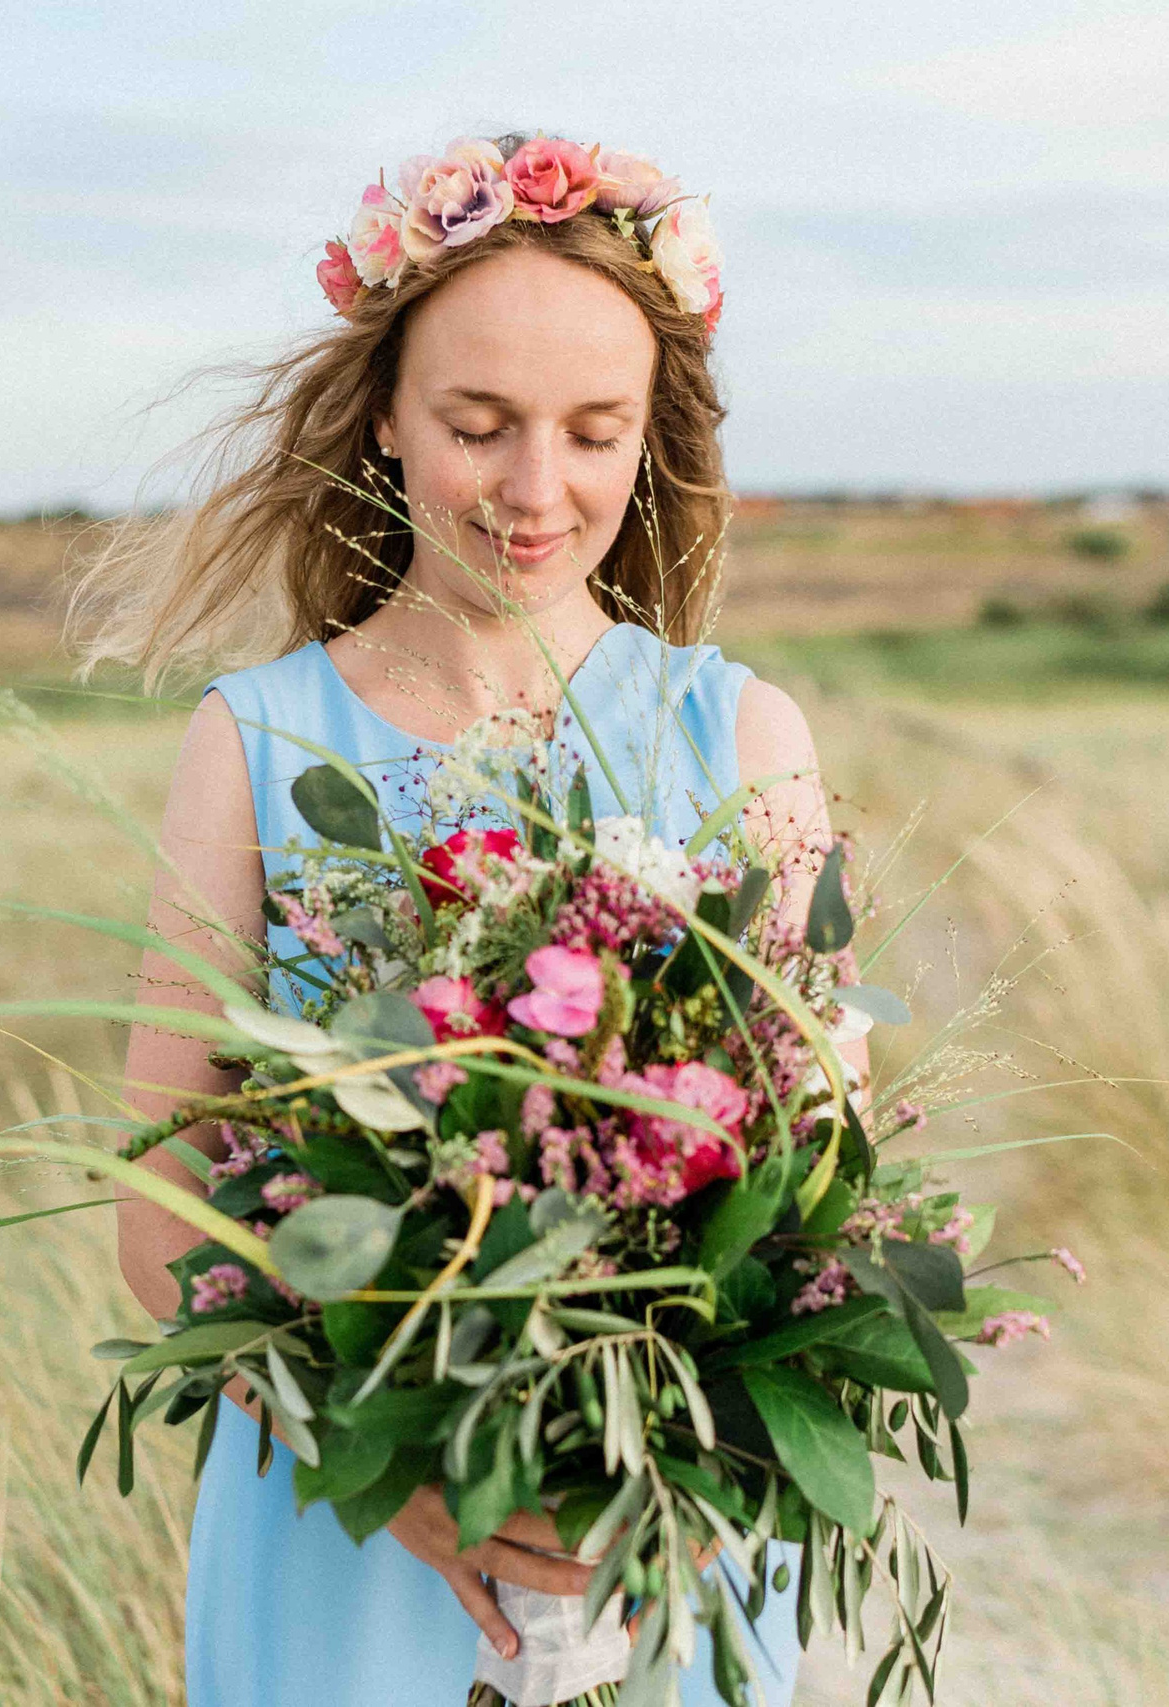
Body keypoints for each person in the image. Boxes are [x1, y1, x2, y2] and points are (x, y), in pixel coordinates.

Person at [88, 131, 860, 1707]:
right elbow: (162, 1211)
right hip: (348, 1525)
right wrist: (405, 1475)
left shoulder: (743, 736)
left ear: (655, 439)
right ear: (384, 417)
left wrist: (671, 1462)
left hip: (668, 1546)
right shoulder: (258, 742)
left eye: (594, 431)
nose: (535, 490)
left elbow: (821, 1181)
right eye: (478, 424)